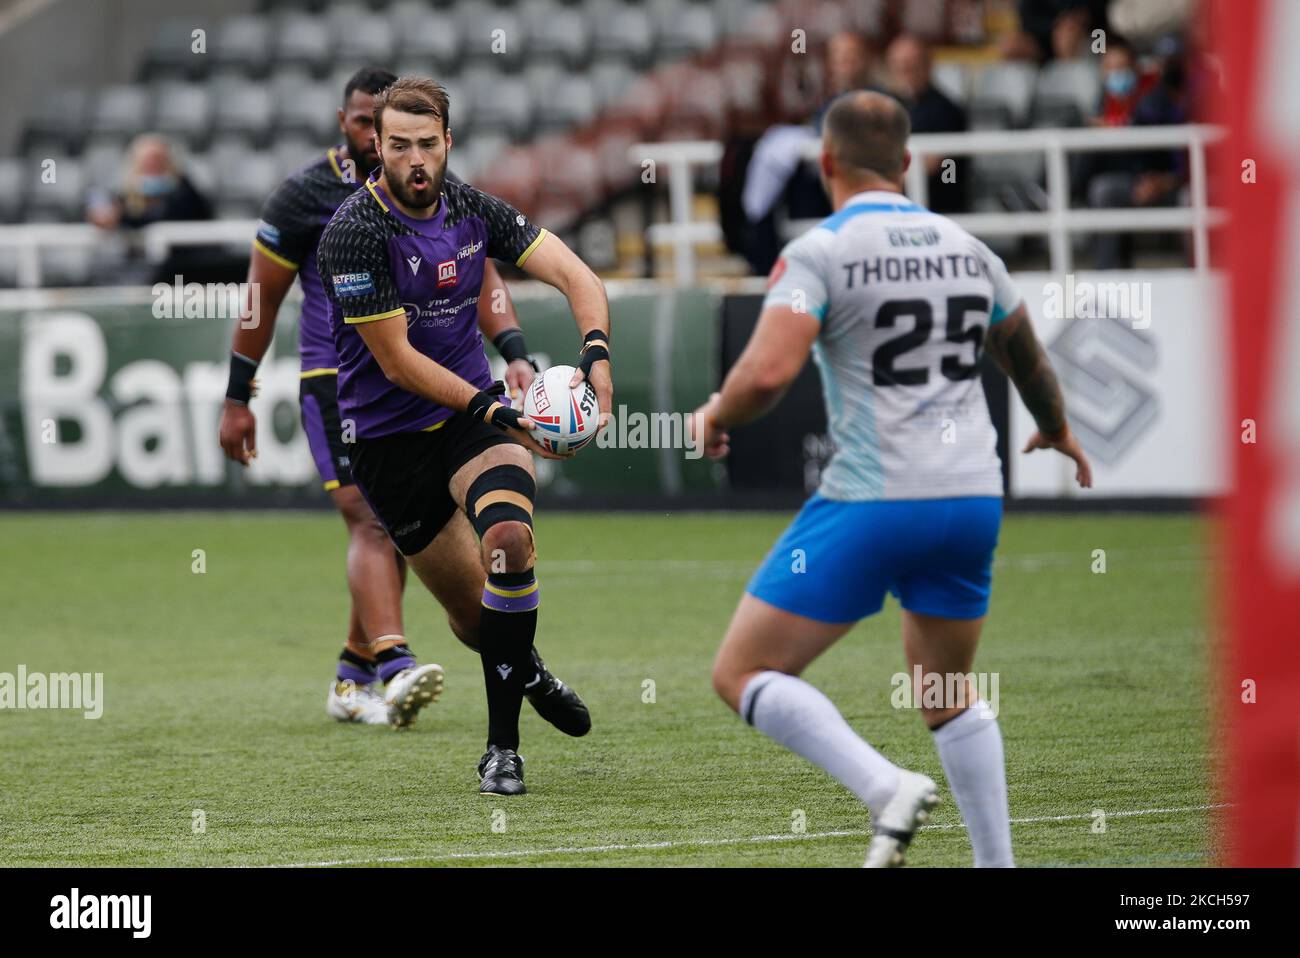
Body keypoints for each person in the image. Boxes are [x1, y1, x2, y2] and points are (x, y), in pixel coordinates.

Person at [693, 91, 1092, 867]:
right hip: (974, 495)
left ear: (825, 162)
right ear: (908, 163)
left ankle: (884, 788)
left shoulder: (820, 250)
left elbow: (769, 371)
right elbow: (1026, 355)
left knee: (742, 671)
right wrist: (1057, 427)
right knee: (944, 693)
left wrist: (716, 413)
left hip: (879, 496)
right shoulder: (970, 249)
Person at [218, 67, 581, 736]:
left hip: (453, 392)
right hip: (343, 382)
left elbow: (478, 275)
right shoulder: (307, 199)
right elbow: (259, 298)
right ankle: (393, 661)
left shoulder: (445, 198)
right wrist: (239, 394)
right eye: (366, 125)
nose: (379, 141)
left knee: (456, 552)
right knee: (369, 523)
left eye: (419, 141)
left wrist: (516, 351)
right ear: (352, 126)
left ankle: (357, 666)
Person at [316, 76, 612, 795]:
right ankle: (531, 670)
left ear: (448, 142)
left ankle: (502, 750)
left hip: (468, 425)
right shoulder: (354, 233)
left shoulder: (474, 210)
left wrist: (596, 352)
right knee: (477, 619)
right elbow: (398, 361)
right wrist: (498, 406)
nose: (414, 160)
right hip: (389, 444)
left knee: (510, 545)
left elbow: (576, 274)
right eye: (397, 146)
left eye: (426, 144)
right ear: (375, 148)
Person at [86, 134, 215, 283]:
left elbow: (162, 217)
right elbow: (109, 210)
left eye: (158, 160)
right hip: (143, 270)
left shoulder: (185, 191)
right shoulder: (127, 194)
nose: (152, 165)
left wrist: (122, 215)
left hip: (187, 270)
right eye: (147, 161)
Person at [883, 34, 968, 213]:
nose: (903, 71)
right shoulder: (885, 106)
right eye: (897, 65)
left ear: (927, 66)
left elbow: (935, 165)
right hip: (894, 204)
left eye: (910, 65)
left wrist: (882, 174)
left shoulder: (946, 110)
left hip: (940, 204)